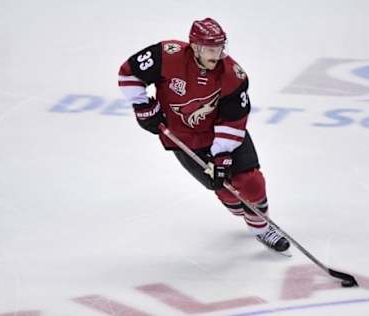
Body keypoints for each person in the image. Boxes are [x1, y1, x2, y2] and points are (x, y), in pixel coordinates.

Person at [118, 17, 290, 252]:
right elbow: (129, 73)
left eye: (220, 47)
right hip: (182, 138)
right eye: (211, 48)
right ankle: (242, 210)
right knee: (222, 187)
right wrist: (142, 107)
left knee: (250, 181)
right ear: (195, 46)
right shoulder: (167, 55)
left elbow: (233, 119)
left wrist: (222, 155)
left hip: (224, 135)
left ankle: (262, 228)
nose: (217, 54)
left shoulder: (233, 75)